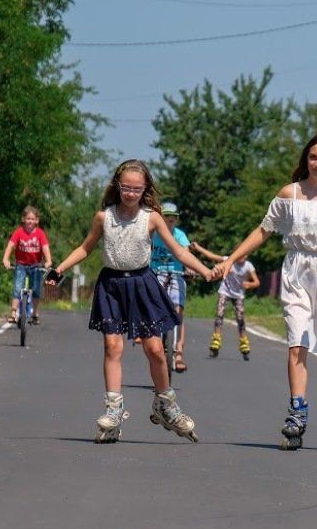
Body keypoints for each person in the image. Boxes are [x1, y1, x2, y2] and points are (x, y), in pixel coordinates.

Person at [212, 132, 317, 452]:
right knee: (297, 342)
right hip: (296, 272)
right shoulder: (289, 195)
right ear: (305, 159)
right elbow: (263, 231)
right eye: (313, 157)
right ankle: (297, 413)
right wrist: (232, 259)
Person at [47, 159, 212, 444]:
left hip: (142, 284)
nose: (130, 193)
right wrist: (59, 269)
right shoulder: (104, 217)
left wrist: (206, 270)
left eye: (136, 189)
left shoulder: (152, 218)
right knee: (112, 345)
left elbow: (179, 253)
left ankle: (166, 406)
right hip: (111, 284)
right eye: (126, 187)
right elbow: (86, 248)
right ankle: (113, 410)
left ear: (145, 189)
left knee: (156, 349)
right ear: (117, 186)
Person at [190, 241, 260, 360]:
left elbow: (257, 282)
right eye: (241, 255)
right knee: (219, 314)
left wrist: (249, 284)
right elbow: (212, 256)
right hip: (225, 291)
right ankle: (216, 340)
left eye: (245, 255)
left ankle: (244, 343)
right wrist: (198, 248)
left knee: (240, 318)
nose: (243, 257)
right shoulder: (229, 260)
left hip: (238, 295)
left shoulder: (248, 266)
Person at [150, 201, 191, 372]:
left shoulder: (180, 236)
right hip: (156, 273)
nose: (170, 220)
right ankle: (148, 335)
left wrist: (189, 268)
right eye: (166, 217)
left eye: (173, 218)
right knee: (151, 304)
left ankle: (178, 352)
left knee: (178, 311)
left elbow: (186, 253)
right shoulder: (153, 234)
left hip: (176, 274)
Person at [2, 206, 52, 325]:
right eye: (28, 218)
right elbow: (10, 245)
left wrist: (48, 261)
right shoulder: (19, 232)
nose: (30, 221)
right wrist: (5, 259)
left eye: (32, 219)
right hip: (21, 265)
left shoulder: (40, 234)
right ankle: (13, 312)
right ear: (23, 219)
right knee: (17, 287)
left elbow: (45, 248)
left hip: (36, 265)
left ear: (37, 221)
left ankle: (35, 313)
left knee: (36, 289)